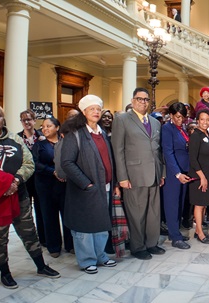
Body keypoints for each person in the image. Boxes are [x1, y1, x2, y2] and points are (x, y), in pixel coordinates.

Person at [0, 95, 60, 288]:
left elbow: (29, 162)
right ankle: (5, 273)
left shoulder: (14, 138)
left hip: (19, 194)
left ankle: (41, 265)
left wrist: (16, 181)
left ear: (4, 118)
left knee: (29, 232)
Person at [60, 94, 119, 274]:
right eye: (92, 109)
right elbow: (67, 163)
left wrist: (114, 182)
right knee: (84, 227)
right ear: (84, 112)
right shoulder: (75, 135)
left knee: (101, 224)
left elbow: (110, 160)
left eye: (98, 109)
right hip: (85, 189)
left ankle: (100, 256)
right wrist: (86, 184)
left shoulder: (103, 133)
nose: (96, 112)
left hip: (105, 186)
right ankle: (86, 260)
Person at [112, 88, 166, 260]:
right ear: (133, 100)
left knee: (153, 212)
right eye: (139, 99)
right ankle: (138, 246)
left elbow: (159, 151)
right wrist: (122, 177)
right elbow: (118, 150)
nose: (143, 102)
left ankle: (151, 243)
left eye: (146, 99)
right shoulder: (122, 120)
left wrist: (162, 173)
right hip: (134, 175)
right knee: (137, 213)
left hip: (154, 174)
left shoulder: (155, 122)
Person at [32, 117, 73, 258]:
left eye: (49, 126)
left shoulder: (65, 142)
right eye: (43, 127)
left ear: (57, 127)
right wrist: (53, 171)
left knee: (67, 214)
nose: (45, 129)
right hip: (45, 186)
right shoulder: (39, 145)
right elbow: (35, 163)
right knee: (49, 216)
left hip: (63, 184)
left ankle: (70, 244)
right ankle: (54, 246)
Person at [161, 102, 193, 249]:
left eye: (183, 117)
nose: (181, 119)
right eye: (178, 117)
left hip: (184, 171)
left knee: (180, 203)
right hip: (174, 173)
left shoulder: (182, 129)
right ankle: (175, 237)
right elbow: (168, 152)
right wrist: (177, 173)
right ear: (172, 115)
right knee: (172, 205)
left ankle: (176, 232)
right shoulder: (167, 129)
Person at [188, 108, 209, 244]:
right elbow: (192, 158)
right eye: (202, 119)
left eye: (207, 119)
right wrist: (202, 177)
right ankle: (199, 232)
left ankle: (198, 230)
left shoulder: (207, 134)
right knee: (199, 204)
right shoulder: (196, 135)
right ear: (197, 120)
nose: (205, 122)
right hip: (200, 176)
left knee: (205, 203)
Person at [18, 109, 45, 246]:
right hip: (25, 181)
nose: (27, 122)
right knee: (26, 213)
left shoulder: (42, 137)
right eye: (24, 120)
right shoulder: (16, 139)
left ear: (34, 120)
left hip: (40, 179)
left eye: (29, 119)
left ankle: (43, 238)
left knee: (41, 210)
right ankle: (30, 239)